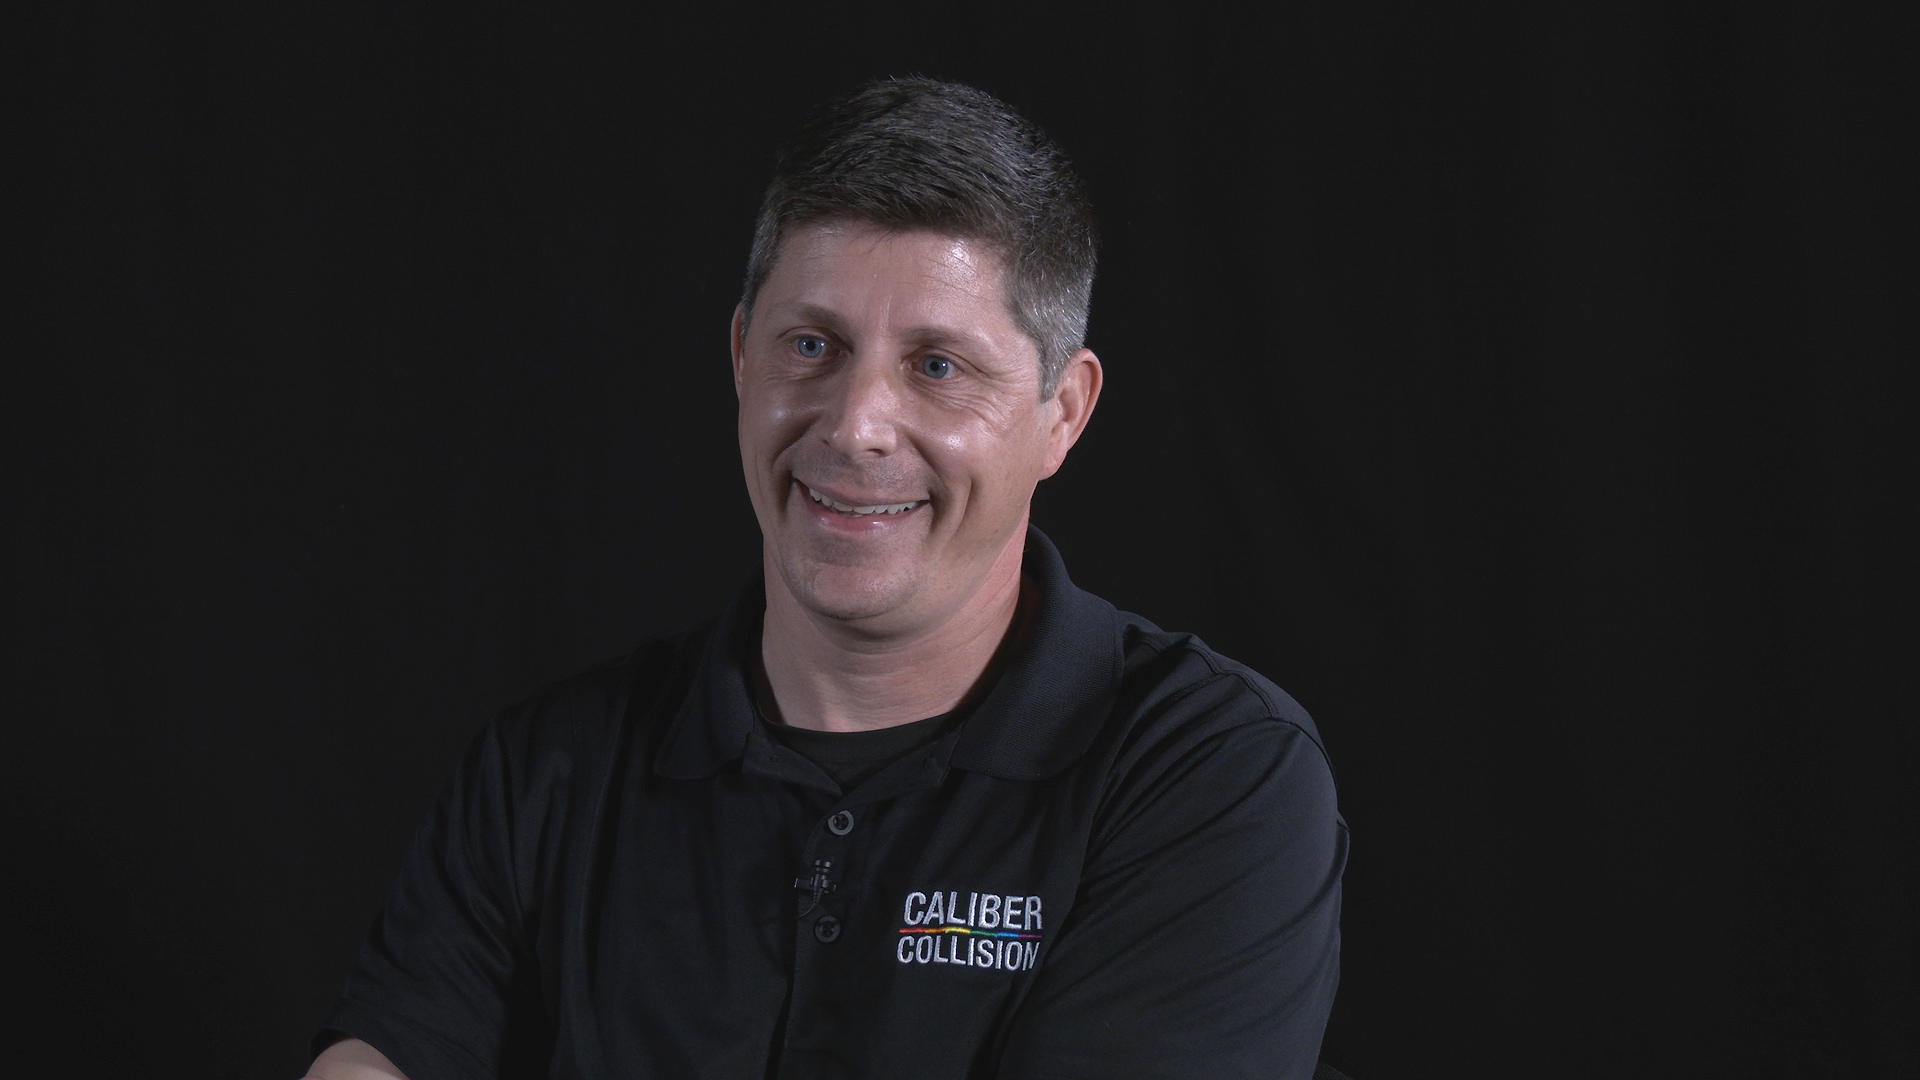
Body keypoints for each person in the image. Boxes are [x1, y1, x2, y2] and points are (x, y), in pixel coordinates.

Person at [307, 77, 1346, 1080]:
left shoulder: (1210, 775)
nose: (854, 427)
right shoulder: (549, 772)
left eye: (938, 366)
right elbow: (379, 1056)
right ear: (741, 357)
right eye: (812, 345)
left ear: (1061, 413)